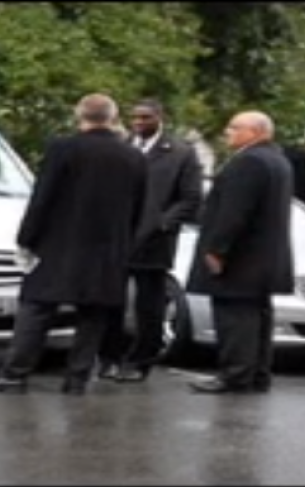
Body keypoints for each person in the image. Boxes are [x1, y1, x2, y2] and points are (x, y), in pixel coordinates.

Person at [0, 94, 147, 396]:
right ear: (112, 117)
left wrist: (26, 238)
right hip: (107, 248)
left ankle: (15, 374)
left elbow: (43, 197)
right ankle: (77, 378)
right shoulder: (133, 157)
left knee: (37, 309)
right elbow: (138, 207)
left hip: (59, 243)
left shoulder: (63, 149)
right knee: (93, 316)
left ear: (80, 115)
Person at [185, 111, 295, 394]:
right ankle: (257, 373)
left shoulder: (249, 162)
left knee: (235, 318)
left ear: (257, 132)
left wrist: (217, 249)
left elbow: (234, 212)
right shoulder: (277, 160)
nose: (227, 132)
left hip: (242, 258)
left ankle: (235, 375)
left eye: (235, 128)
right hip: (263, 258)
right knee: (257, 317)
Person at [97, 99, 203, 382]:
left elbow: (191, 198)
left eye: (145, 118)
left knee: (149, 303)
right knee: (110, 299)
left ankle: (141, 360)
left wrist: (163, 222)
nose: (139, 123)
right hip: (118, 235)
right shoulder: (122, 146)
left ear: (160, 117)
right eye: (135, 118)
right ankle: (109, 357)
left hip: (155, 239)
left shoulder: (180, 152)